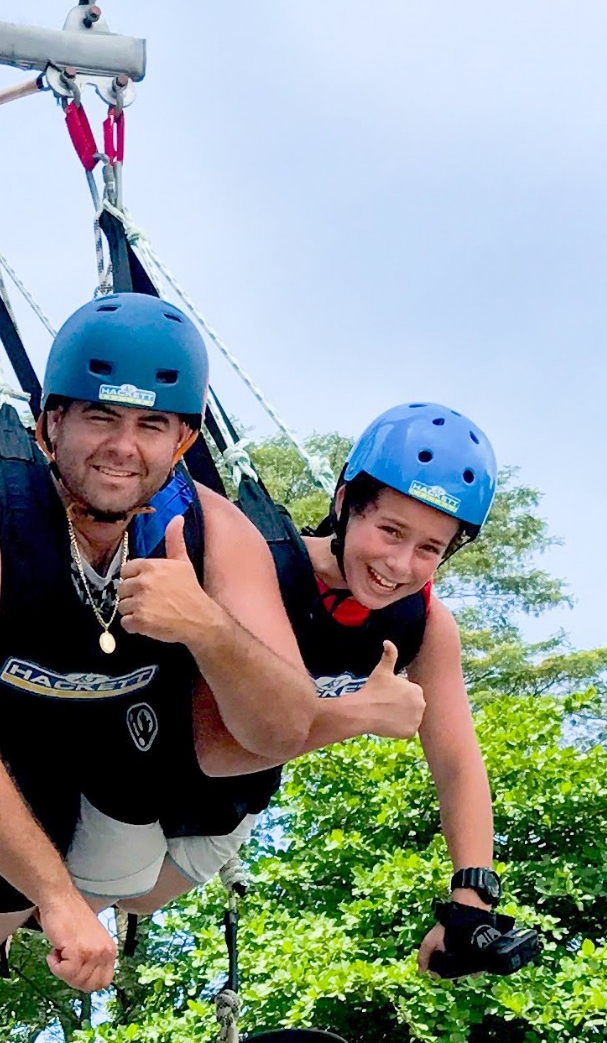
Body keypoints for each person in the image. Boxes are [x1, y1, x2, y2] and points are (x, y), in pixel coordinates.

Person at [0, 294, 427, 993]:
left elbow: (279, 726)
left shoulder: (216, 534)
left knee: (128, 882)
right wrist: (55, 902)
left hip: (105, 770)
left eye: (150, 425)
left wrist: (205, 626)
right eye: (100, 416)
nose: (123, 446)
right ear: (50, 422)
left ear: (182, 442)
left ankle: (1, 922)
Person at [139, 402, 528, 979]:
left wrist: (473, 901)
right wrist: (358, 713)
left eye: (429, 548)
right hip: (149, 765)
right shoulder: (261, 566)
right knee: (52, 899)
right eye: (390, 531)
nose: (399, 564)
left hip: (227, 807)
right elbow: (216, 749)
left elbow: (458, 763)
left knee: (138, 901)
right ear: (345, 502)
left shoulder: (424, 626)